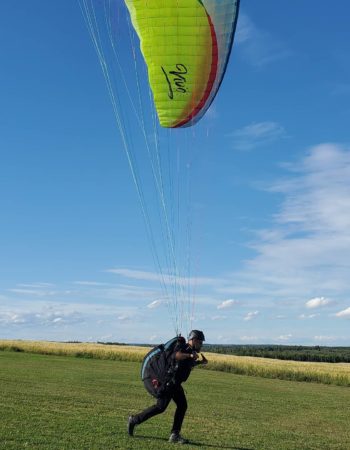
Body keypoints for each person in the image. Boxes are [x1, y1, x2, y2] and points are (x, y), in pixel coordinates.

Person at [127, 330, 208, 444]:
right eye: (200, 342)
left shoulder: (190, 351)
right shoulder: (183, 347)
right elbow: (177, 356)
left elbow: (186, 365)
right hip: (169, 383)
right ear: (193, 340)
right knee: (160, 407)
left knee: (182, 406)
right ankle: (134, 420)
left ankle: (175, 434)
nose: (201, 345)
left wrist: (200, 362)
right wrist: (190, 355)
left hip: (175, 384)